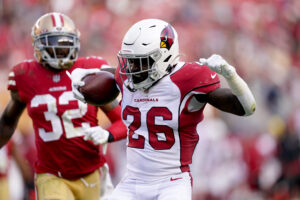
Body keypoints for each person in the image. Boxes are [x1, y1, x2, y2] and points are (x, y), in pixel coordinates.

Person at [70, 19, 256, 200]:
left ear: (163, 57)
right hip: (132, 181)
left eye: (140, 62)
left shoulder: (189, 79)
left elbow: (246, 108)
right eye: (129, 61)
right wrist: (84, 76)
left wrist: (232, 76)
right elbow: (109, 74)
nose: (132, 68)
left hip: (171, 182)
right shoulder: (126, 76)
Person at [0, 12, 127, 200]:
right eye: (54, 43)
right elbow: (8, 122)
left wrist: (107, 135)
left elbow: (122, 121)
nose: (61, 49)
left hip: (91, 172)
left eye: (66, 43)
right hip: (51, 174)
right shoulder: (25, 75)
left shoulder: (90, 72)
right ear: (39, 45)